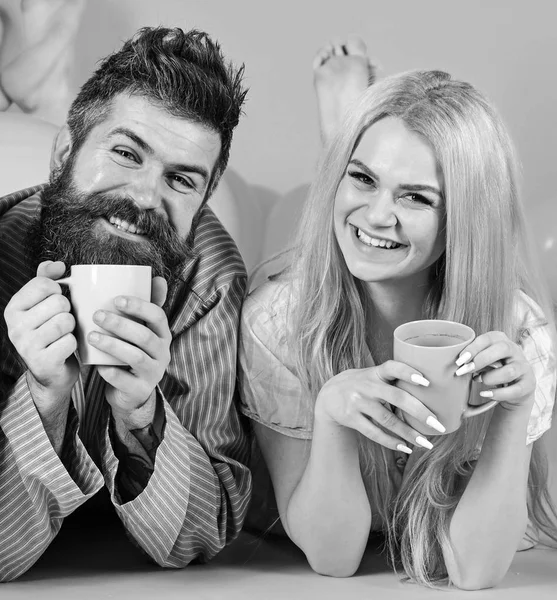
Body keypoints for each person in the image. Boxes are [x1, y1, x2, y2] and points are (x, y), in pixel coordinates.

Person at [239, 38, 557, 589]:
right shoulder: (275, 321)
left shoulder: (519, 333)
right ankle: (342, 132)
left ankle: (347, 130)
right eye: (361, 177)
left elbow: (475, 570)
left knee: (355, 233)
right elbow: (334, 558)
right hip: (308, 298)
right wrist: (333, 418)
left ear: (464, 221)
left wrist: (514, 413)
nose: (379, 214)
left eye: (416, 196)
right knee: (306, 234)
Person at [0, 26, 251, 581]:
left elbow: (202, 535)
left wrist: (141, 413)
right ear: (65, 150)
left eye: (181, 180)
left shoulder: (208, 278)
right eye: (125, 152)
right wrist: (44, 397)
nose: (144, 196)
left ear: (203, 201)